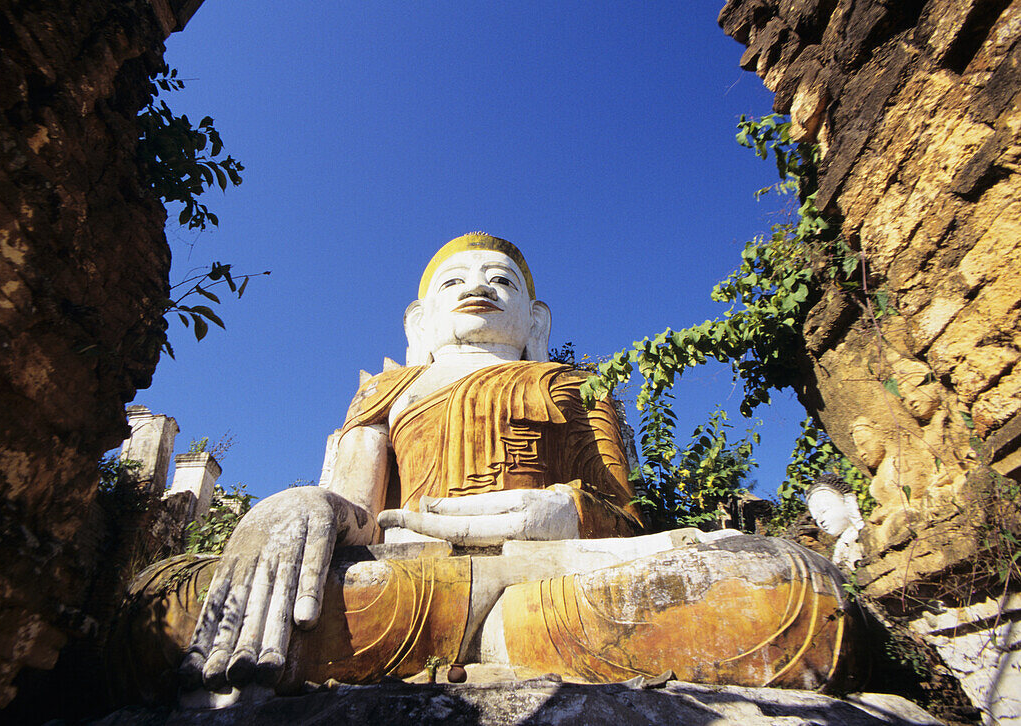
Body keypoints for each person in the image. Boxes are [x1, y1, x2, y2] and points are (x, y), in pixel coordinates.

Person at [114, 234, 863, 707]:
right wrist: (295, 508)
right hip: (399, 576)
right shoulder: (386, 392)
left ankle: (497, 635)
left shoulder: (572, 385)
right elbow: (355, 509)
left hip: (553, 573)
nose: (480, 286)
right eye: (455, 280)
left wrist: (558, 514)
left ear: (536, 321)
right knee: (169, 599)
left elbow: (623, 515)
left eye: (502, 279)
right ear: (418, 321)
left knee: (787, 584)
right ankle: (507, 639)